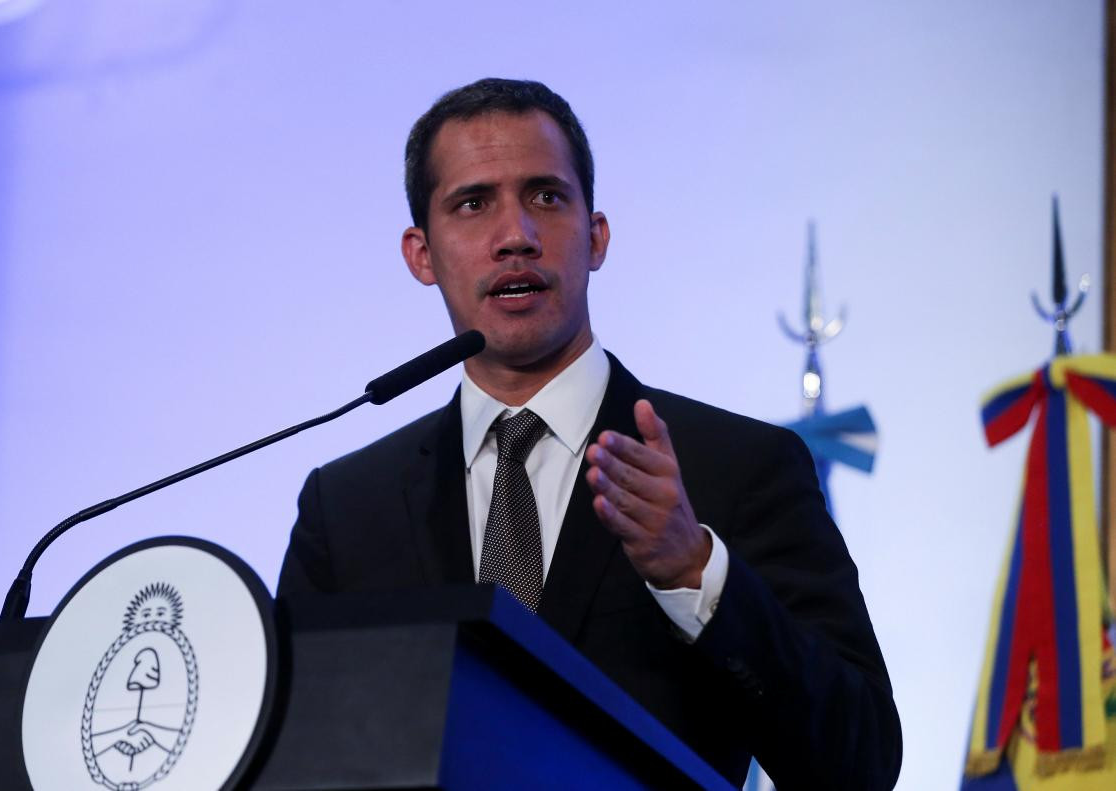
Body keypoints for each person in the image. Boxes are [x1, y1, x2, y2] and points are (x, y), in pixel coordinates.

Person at [278, 78, 902, 789]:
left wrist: (696, 573)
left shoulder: (737, 467)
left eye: (547, 196)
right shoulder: (348, 506)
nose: (516, 235)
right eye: (473, 203)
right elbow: (294, 753)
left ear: (596, 237)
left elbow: (861, 761)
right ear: (421, 254)